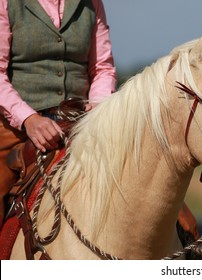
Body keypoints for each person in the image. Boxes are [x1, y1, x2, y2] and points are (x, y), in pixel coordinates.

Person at [0, 0, 117, 229]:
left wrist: (97, 107)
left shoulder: (92, 4)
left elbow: (102, 67)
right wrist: (29, 119)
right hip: (15, 128)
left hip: (77, 123)